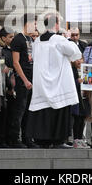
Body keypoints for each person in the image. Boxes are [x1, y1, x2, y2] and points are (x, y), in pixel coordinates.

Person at [26, 14, 82, 149]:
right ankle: (58, 140)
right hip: (58, 81)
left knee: (44, 111)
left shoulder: (38, 40)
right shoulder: (59, 39)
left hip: (42, 81)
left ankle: (43, 140)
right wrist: (68, 38)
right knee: (60, 109)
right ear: (56, 25)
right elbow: (75, 52)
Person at [6, 14, 37, 148]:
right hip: (22, 80)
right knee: (20, 110)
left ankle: (27, 137)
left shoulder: (30, 39)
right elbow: (16, 63)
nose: (36, 26)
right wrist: (25, 80)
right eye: (34, 24)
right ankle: (14, 138)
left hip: (32, 79)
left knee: (29, 111)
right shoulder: (18, 40)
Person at [0, 27, 15, 148]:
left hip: (13, 85)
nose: (13, 39)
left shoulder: (14, 50)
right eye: (10, 37)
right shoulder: (2, 51)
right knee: (4, 115)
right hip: (4, 85)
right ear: (3, 38)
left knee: (12, 115)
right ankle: (1, 139)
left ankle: (12, 138)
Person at [71, 57, 90, 149]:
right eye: (76, 59)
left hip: (85, 98)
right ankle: (76, 140)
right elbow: (69, 83)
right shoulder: (72, 70)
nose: (79, 61)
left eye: (80, 59)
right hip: (76, 99)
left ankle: (81, 140)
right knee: (77, 120)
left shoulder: (87, 70)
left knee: (82, 119)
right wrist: (77, 82)